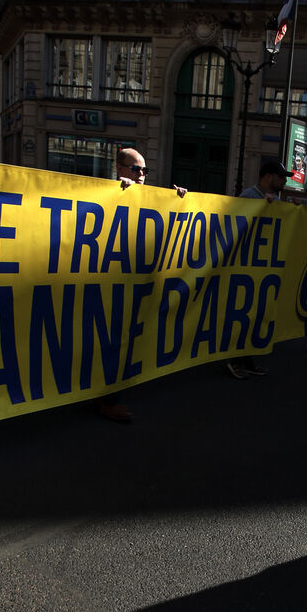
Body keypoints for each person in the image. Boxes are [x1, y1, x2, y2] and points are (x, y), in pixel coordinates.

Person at [96, 147, 187, 421]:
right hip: (111, 284)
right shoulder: (107, 192)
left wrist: (179, 201)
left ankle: (107, 393)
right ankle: (108, 399)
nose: (141, 175)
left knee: (126, 338)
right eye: (136, 169)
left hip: (138, 285)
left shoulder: (148, 197)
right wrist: (117, 192)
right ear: (120, 169)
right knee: (111, 340)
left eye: (144, 170)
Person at [229, 159, 292, 378]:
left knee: (254, 317)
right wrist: (262, 207)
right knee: (240, 316)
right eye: (281, 177)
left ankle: (247, 360)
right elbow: (235, 225)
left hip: (262, 269)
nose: (284, 181)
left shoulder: (277, 200)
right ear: (268, 177)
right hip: (245, 267)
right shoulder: (249, 197)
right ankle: (233, 360)